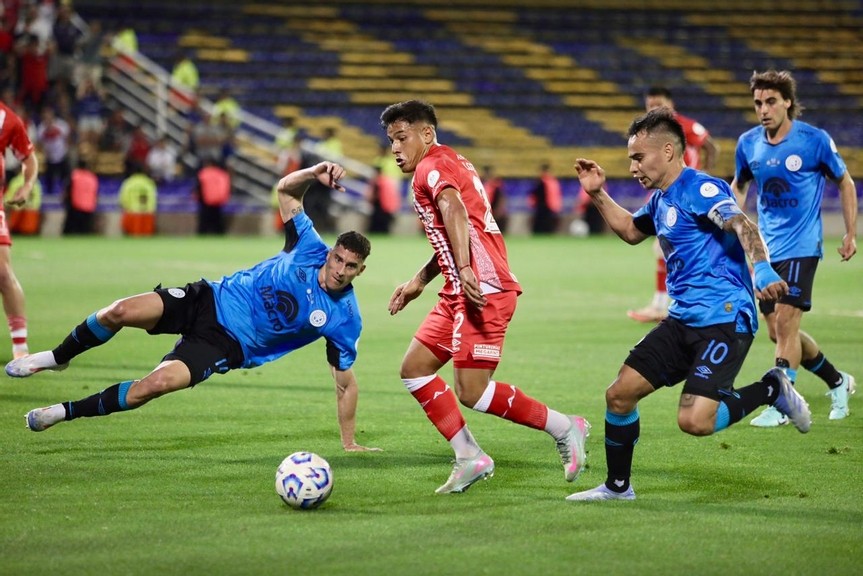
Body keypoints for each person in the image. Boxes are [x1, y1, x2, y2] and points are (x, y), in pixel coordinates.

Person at [8, 161, 380, 453]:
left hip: (227, 345)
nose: (340, 270)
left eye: (350, 267)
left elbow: (345, 383)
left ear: (359, 271)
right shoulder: (307, 246)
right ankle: (58, 357)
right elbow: (286, 190)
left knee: (152, 386)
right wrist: (313, 174)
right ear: (330, 253)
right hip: (211, 298)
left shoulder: (344, 318)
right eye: (338, 260)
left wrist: (348, 442)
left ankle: (62, 412)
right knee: (119, 311)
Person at [566, 108, 811, 502]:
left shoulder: (702, 188)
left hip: (725, 320)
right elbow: (631, 231)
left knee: (695, 421)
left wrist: (762, 270)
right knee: (619, 395)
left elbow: (741, 225)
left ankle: (771, 388)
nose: (632, 167)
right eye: (630, 158)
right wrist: (596, 193)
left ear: (667, 150)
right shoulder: (661, 199)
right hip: (682, 320)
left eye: (638, 157)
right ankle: (617, 487)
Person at [380, 100, 589, 494]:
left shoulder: (431, 166)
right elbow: (455, 229)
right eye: (391, 139)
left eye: (401, 137)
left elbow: (455, 211)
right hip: (461, 287)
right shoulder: (449, 160)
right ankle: (469, 457)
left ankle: (566, 428)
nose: (394, 148)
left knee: (472, 391)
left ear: (426, 134)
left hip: (482, 290)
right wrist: (421, 280)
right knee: (415, 368)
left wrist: (463, 269)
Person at [730, 69, 858, 426]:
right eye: (758, 103)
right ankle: (837, 380)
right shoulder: (749, 143)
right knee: (777, 332)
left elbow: (845, 182)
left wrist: (850, 233)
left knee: (786, 323)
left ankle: (781, 404)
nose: (763, 109)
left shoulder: (813, 140)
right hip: (765, 254)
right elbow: (738, 186)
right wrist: (733, 222)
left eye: (771, 101)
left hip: (803, 245)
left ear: (787, 102)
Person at [628, 86, 720, 323]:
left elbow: (711, 146)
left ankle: (662, 303)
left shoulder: (682, 127)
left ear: (670, 105)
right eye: (650, 105)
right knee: (666, 246)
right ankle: (664, 302)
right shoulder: (651, 134)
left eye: (658, 104)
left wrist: (703, 175)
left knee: (673, 246)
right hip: (667, 193)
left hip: (686, 193)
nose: (653, 109)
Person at [0, 100, 38, 360]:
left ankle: (20, 348)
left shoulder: (6, 119)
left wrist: (26, 186)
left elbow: (29, 158)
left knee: (3, 273)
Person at [118, 163, 157, 236]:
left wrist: (124, 207)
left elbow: (123, 197)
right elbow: (153, 197)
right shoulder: (148, 182)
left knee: (132, 236)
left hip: (132, 213)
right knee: (146, 237)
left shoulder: (129, 182)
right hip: (147, 213)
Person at [63, 157, 99, 235]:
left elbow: (68, 191)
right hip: (89, 208)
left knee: (70, 231)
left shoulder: (74, 176)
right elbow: (95, 193)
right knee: (85, 232)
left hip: (75, 207)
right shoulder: (92, 177)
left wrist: (65, 201)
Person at [529, 162, 562, 234]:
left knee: (544, 229)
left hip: (546, 208)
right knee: (545, 229)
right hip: (545, 208)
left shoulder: (544, 182)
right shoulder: (551, 182)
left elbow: (533, 194)